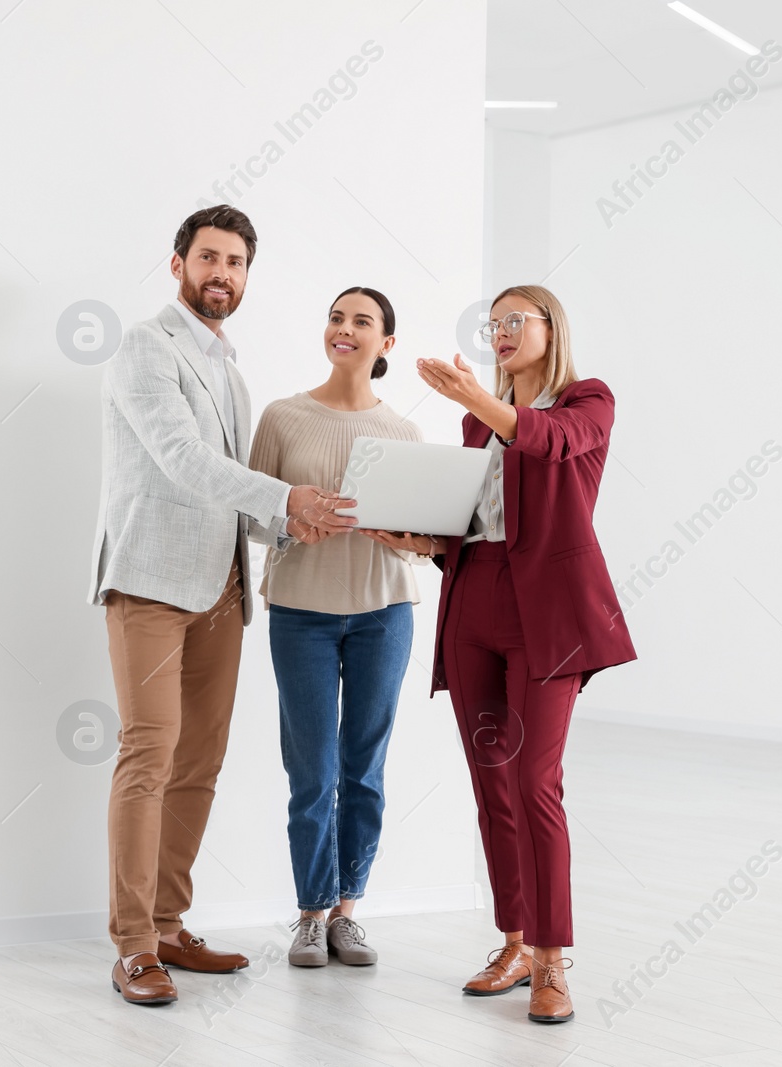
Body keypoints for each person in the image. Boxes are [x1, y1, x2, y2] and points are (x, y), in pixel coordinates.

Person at [88, 205, 357, 1007]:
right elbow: (182, 461)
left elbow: (235, 499)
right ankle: (133, 945)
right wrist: (290, 496)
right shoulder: (145, 345)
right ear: (178, 264)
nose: (222, 274)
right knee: (150, 753)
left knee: (198, 765)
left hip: (221, 589)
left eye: (236, 263)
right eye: (209, 257)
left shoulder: (233, 373)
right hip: (149, 582)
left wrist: (304, 523)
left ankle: (169, 924)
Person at [367, 284, 636, 1024]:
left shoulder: (587, 402)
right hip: (474, 601)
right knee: (493, 782)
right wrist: (419, 541)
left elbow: (544, 443)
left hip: (547, 616)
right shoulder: (474, 424)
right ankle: (514, 942)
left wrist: (481, 403)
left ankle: (552, 962)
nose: (502, 333)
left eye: (516, 320)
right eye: (494, 325)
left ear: (553, 327)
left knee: (535, 782)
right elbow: (477, 522)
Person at [248, 287, 428, 969]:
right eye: (336, 317)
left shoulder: (404, 433)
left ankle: (348, 912)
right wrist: (296, 522)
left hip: (385, 612)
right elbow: (252, 514)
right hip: (301, 614)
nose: (344, 329)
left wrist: (399, 532)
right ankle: (309, 913)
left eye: (362, 321)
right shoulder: (283, 418)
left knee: (365, 767)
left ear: (386, 343)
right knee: (312, 770)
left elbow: (420, 539)